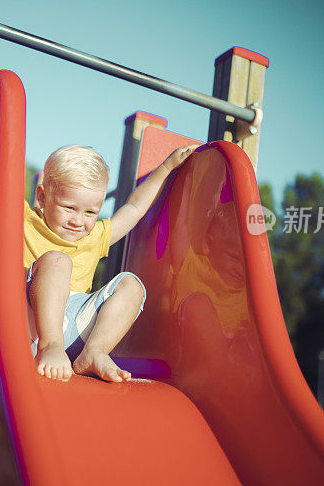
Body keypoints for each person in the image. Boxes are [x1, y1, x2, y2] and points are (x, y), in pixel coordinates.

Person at [24, 144, 197, 382]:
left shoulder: (95, 236)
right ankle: (50, 344)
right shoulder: (25, 220)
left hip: (74, 330)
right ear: (43, 197)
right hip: (31, 323)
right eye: (69, 208)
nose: (78, 220)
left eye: (90, 212)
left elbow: (134, 207)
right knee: (58, 260)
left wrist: (167, 167)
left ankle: (94, 351)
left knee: (131, 284)